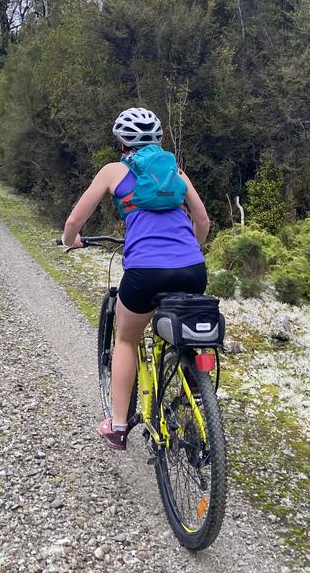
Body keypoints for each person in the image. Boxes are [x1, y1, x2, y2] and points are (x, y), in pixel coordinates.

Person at [60, 107, 210, 450]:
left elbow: (74, 222)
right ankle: (193, 379)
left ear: (122, 142)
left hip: (144, 273)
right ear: (157, 139)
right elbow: (202, 221)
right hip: (192, 268)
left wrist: (72, 242)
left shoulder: (114, 171)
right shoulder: (176, 172)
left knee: (126, 340)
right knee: (183, 322)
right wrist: (189, 252)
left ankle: (118, 425)